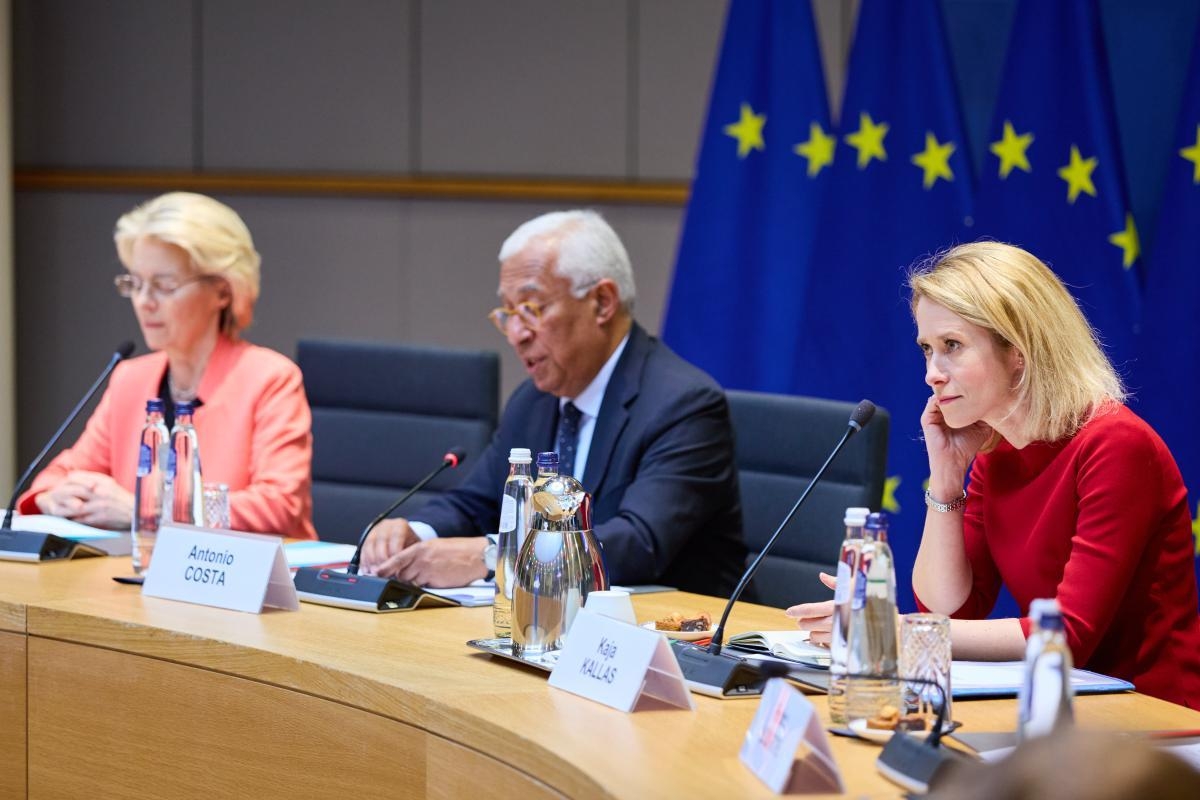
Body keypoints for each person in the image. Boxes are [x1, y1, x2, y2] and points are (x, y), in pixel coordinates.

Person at [788, 241, 1200, 708]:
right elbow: (950, 609)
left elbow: (1066, 635)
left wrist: (890, 630)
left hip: (1151, 717)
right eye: (927, 349)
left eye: (952, 346)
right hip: (1058, 707)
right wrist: (946, 478)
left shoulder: (1116, 444)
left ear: (1018, 351)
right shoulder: (997, 453)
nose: (932, 374)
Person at [360, 210, 746, 594]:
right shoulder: (534, 400)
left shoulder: (683, 406)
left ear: (603, 302)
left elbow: (639, 543)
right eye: (508, 313)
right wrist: (415, 532)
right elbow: (476, 503)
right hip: (548, 619)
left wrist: (492, 555)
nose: (516, 334)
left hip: (667, 626)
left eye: (532, 309)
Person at [18, 192, 317, 539]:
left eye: (164, 285)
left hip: (252, 572)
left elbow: (279, 506)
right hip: (139, 567)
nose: (144, 301)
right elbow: (59, 476)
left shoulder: (269, 379)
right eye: (135, 284)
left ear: (222, 292)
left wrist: (149, 510)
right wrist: (53, 498)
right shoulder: (131, 379)